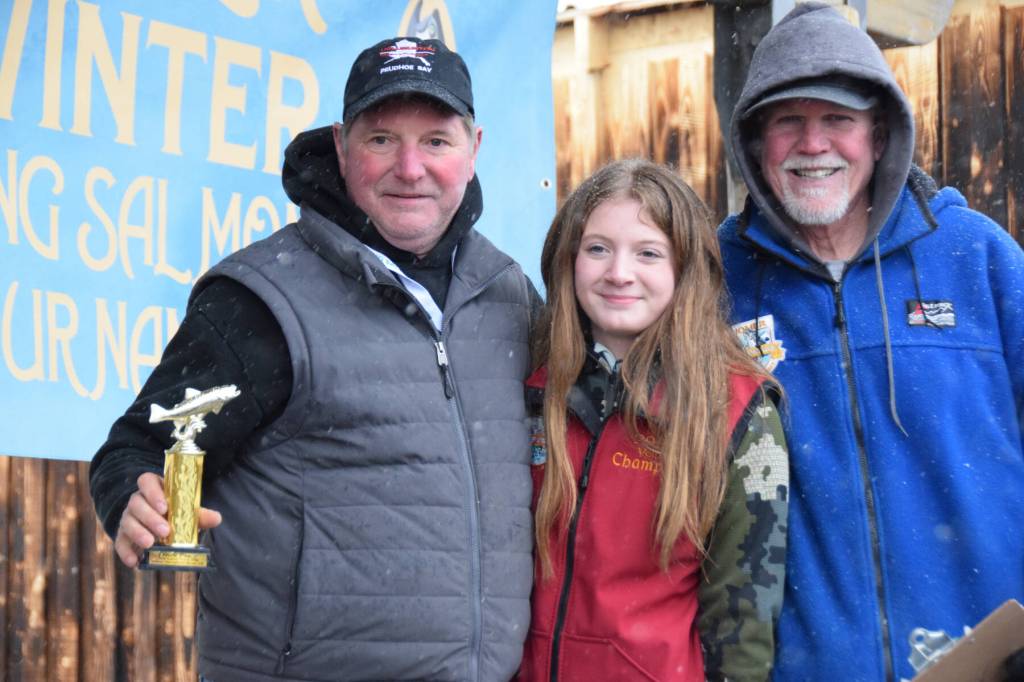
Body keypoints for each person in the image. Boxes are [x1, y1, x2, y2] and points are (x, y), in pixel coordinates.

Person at [90, 37, 538, 682]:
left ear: (474, 150)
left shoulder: (508, 296)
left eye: (436, 141)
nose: (410, 168)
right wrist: (133, 498)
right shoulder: (262, 299)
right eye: (382, 139)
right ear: (339, 145)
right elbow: (138, 448)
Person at [719, 3, 1024, 681]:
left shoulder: (977, 260)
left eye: (838, 120)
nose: (813, 143)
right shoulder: (715, 282)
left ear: (880, 135)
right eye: (787, 122)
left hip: (988, 659)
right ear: (753, 142)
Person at [518, 159, 789, 682]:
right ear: (569, 260)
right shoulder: (533, 385)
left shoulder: (737, 409)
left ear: (684, 270)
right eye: (598, 249)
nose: (619, 273)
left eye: (648, 253)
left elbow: (744, 621)